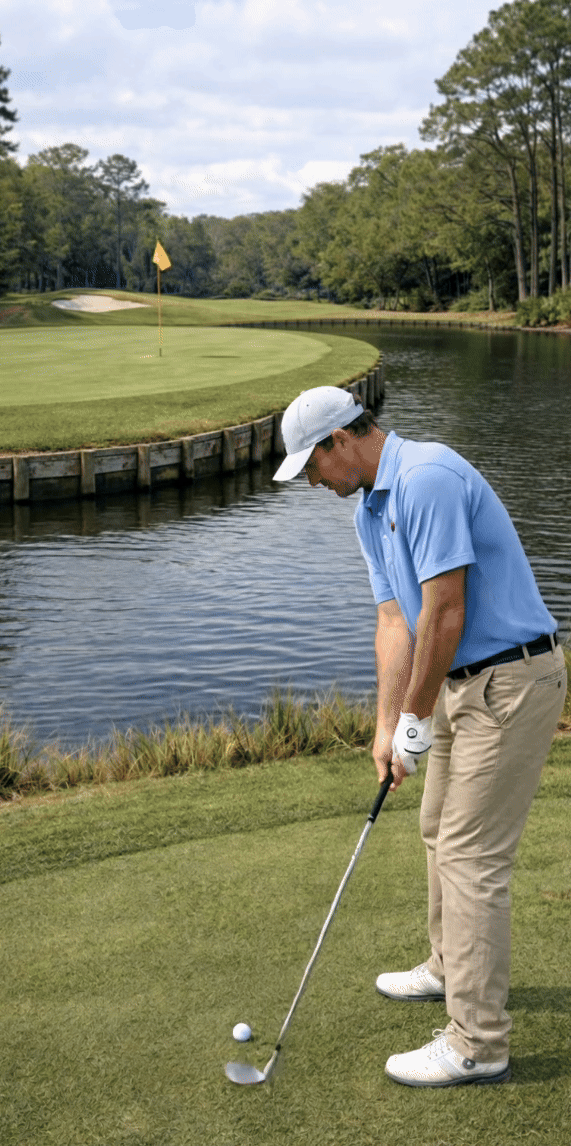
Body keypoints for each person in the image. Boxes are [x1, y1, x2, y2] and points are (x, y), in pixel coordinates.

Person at [273, 385, 567, 1088]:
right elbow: (396, 624)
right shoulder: (370, 510)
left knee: (470, 857)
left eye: (312, 466)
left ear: (342, 439)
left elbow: (445, 610)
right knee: (437, 828)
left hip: (511, 680)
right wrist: (388, 725)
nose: (312, 482)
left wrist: (416, 715)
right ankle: (447, 968)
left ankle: (478, 1043)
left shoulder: (425, 477)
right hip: (463, 681)